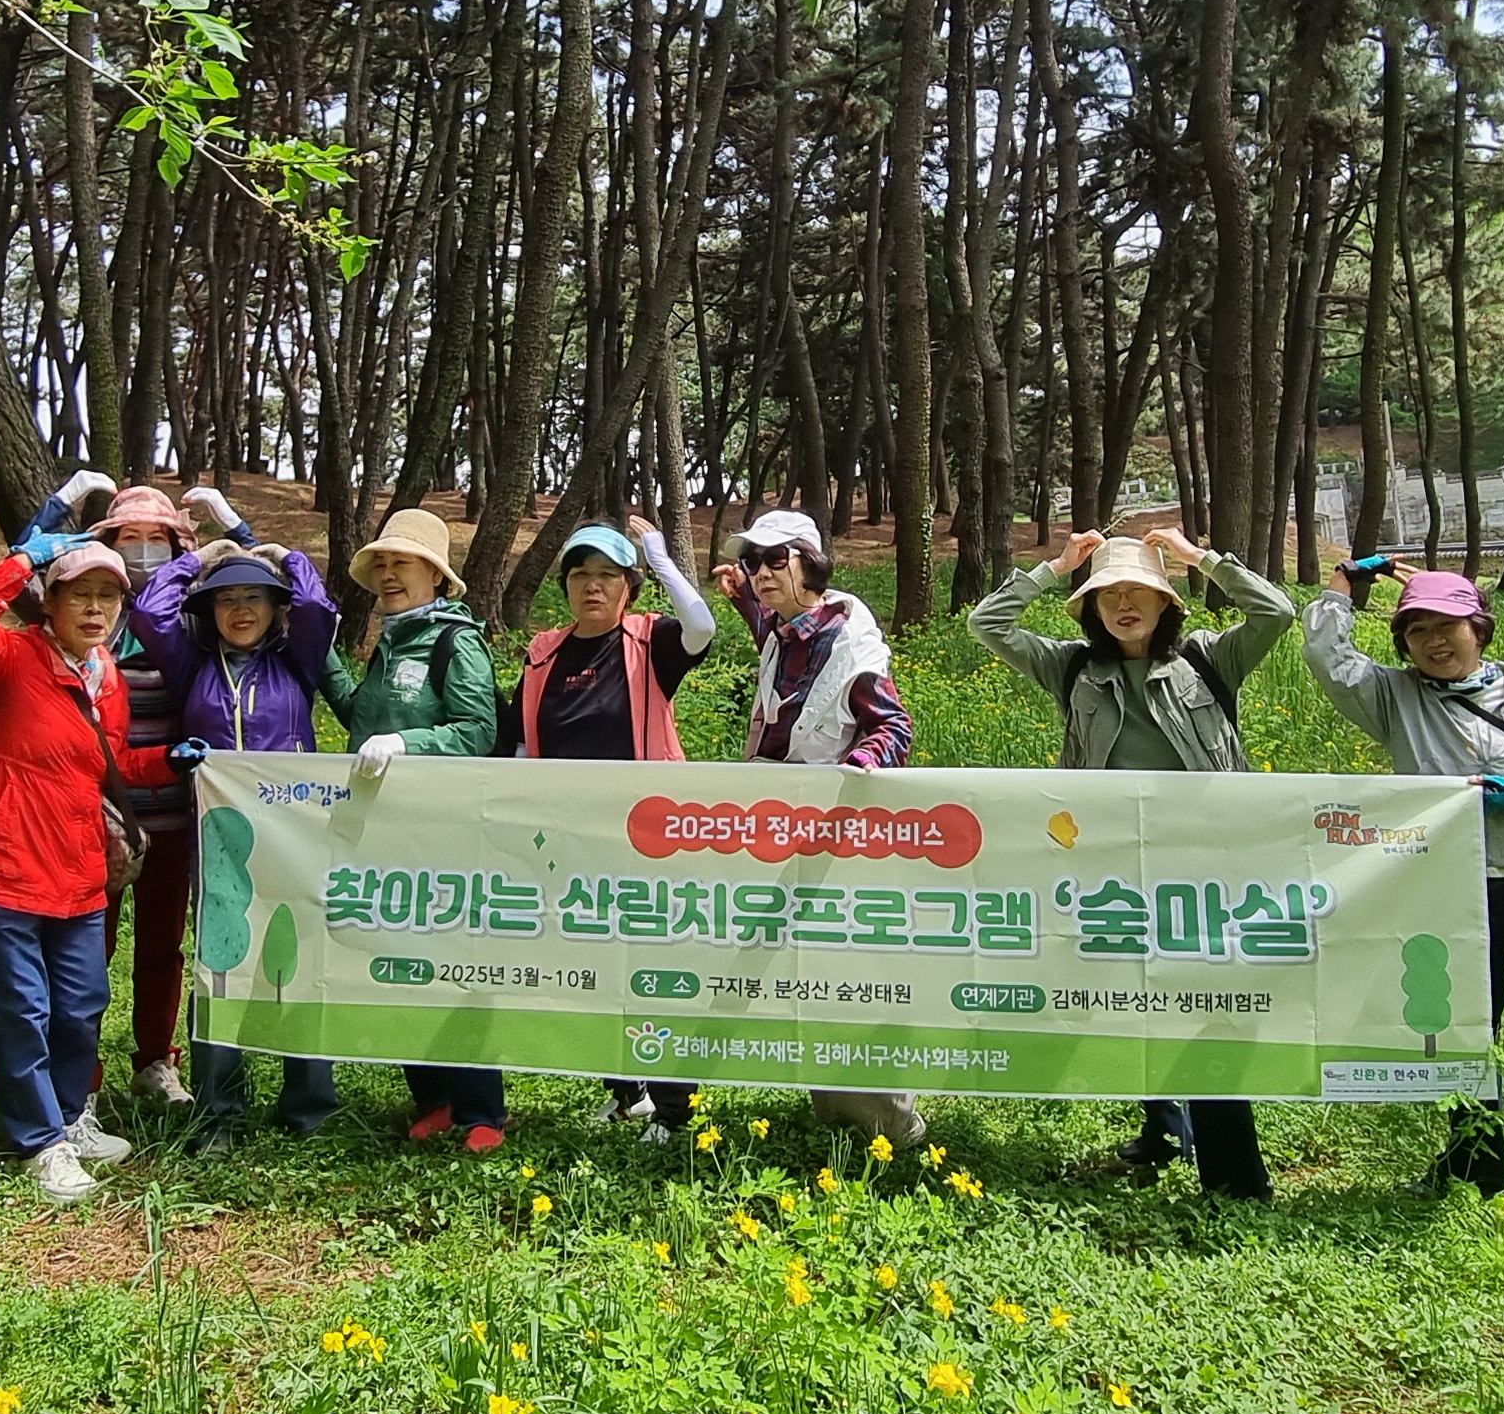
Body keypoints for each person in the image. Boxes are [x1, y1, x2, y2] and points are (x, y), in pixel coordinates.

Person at [962, 524, 1296, 1200]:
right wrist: (1056, 566)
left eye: (1139, 590)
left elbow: (1277, 613)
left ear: (1168, 603)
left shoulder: (1209, 661)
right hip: (1116, 872)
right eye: (1107, 592)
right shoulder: (1075, 668)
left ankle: (1235, 1176)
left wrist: (1201, 558)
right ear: (1088, 608)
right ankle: (1164, 1130)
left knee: (1208, 1007)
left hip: (1206, 872)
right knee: (1139, 1000)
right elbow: (987, 622)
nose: (1123, 603)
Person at [1302, 559, 1504, 1239]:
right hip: (1450, 895)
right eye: (1416, 630)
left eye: (1447, 625)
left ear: (1479, 627)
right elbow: (1328, 657)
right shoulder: (1397, 700)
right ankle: (1475, 1167)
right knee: (1458, 1041)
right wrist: (1341, 583)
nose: (1433, 642)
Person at [0, 534, 153, 1203]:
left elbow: (102, 768)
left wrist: (177, 760)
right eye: (81, 594)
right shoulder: (11, 657)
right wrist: (24, 558)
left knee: (83, 1003)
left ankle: (69, 1118)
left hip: (76, 868)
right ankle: (41, 1143)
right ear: (51, 602)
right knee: (21, 1008)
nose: (96, 609)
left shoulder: (109, 680)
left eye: (108, 596)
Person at [712, 508, 926, 1167]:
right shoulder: (784, 625)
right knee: (800, 974)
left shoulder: (851, 641)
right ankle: (840, 1117)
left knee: (844, 977)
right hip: (779, 828)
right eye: (753, 563)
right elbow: (784, 650)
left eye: (775, 560)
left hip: (835, 834)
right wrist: (747, 602)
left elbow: (893, 728)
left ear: (811, 563)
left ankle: (896, 1131)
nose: (760, 574)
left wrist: (856, 771)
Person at [134, 517, 348, 1147]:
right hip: (221, 837)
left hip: (297, 833)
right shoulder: (191, 666)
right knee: (221, 965)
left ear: (273, 608)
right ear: (211, 611)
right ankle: (219, 1111)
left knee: (300, 961)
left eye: (253, 597)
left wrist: (283, 555)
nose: (240, 610)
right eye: (226, 599)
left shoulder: (296, 662)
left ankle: (310, 1107)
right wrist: (199, 560)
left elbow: (316, 605)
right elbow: (148, 610)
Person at [504, 513, 715, 1139]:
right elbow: (518, 742)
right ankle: (629, 1094)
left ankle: (676, 1114)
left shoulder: (652, 642)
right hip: (571, 841)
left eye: (607, 576)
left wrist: (659, 555)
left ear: (628, 586)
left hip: (651, 841)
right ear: (565, 586)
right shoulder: (543, 653)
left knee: (659, 972)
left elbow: (703, 626)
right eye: (580, 575)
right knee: (595, 968)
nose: (592, 587)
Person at [19, 472, 206, 1114]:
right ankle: (82, 1077)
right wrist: (62, 502)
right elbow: (19, 574)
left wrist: (231, 525)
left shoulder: (194, 612)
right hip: (89, 814)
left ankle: (157, 1061)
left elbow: (270, 600)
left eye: (159, 538)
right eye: (131, 536)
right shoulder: (81, 610)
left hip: (174, 809)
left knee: (162, 946)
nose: (145, 548)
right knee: (84, 955)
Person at [335, 504, 508, 1151]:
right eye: (380, 563)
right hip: (386, 832)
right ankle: (432, 1094)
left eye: (399, 563)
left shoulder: (453, 641)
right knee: (399, 961)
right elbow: (358, 715)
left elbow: (477, 730)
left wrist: (407, 744)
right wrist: (315, 652)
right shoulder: (391, 641)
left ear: (435, 575)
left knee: (457, 963)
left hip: (446, 833)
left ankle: (483, 1108)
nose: (387, 574)